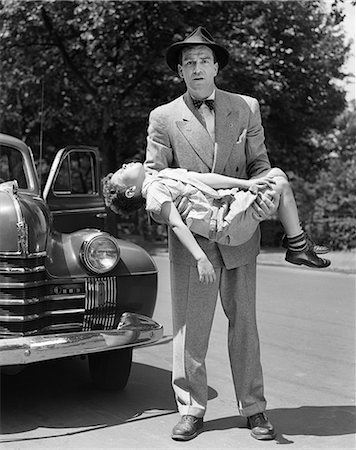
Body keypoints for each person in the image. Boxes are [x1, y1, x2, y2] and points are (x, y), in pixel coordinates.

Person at [121, 26, 317, 442]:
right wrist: (180, 223)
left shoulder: (246, 107)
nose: (196, 68)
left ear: (216, 66)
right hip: (193, 239)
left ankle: (255, 409)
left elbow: (261, 165)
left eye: (203, 60)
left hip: (242, 234)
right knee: (191, 328)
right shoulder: (163, 117)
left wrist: (262, 197)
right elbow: (154, 183)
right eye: (188, 62)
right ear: (180, 71)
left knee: (244, 324)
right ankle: (191, 409)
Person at [103, 163, 330, 271]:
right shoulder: (154, 192)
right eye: (122, 172)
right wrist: (201, 258)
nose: (123, 165)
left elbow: (205, 179)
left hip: (227, 206)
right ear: (131, 191)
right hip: (227, 224)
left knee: (277, 173)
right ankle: (298, 245)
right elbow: (176, 224)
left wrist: (246, 184)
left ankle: (296, 242)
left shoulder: (163, 176)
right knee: (279, 183)